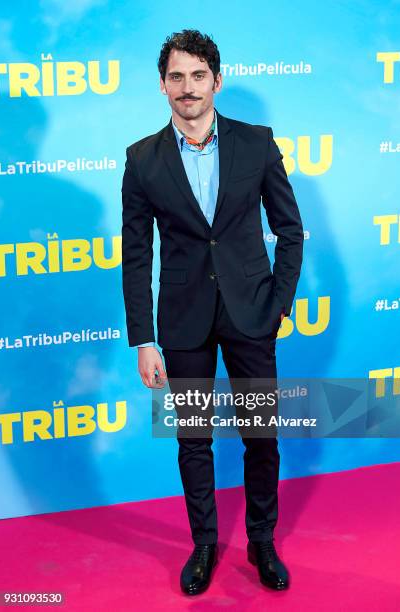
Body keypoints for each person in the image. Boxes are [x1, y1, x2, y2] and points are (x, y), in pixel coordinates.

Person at [121, 29, 304, 596]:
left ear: (216, 81)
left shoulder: (256, 144)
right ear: (162, 86)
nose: (188, 88)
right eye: (176, 77)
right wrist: (143, 339)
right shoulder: (142, 159)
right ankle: (203, 545)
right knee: (193, 439)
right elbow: (135, 254)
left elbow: (289, 230)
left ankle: (261, 540)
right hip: (181, 321)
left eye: (198, 75)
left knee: (261, 437)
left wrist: (276, 304)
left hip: (252, 315)